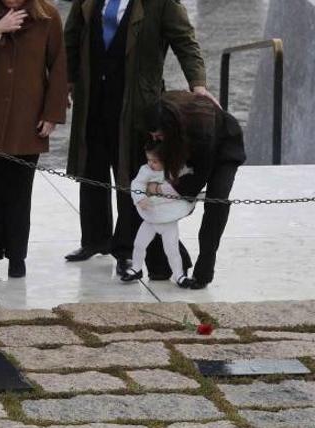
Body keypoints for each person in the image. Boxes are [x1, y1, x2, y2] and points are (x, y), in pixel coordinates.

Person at [63, 0, 217, 280]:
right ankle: (94, 239)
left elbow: (185, 41)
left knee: (129, 173)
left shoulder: (162, 3)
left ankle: (125, 249)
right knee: (92, 168)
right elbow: (72, 37)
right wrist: (68, 79)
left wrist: (198, 85)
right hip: (92, 97)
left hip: (135, 102)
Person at [0, 0, 66, 278]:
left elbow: (58, 66)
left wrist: (52, 113)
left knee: (20, 195)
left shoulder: (48, 16)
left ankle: (18, 257)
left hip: (26, 119)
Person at [144, 90, 246, 289]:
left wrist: (181, 194)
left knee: (217, 202)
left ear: (170, 128)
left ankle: (204, 271)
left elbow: (201, 173)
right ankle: (169, 263)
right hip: (189, 145)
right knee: (162, 202)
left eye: (158, 134)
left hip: (225, 146)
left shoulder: (201, 124)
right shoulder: (159, 114)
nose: (155, 137)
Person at [121, 139, 194, 287]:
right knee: (139, 244)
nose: (150, 163)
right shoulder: (146, 170)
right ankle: (136, 268)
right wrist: (140, 198)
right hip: (150, 217)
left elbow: (186, 179)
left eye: (155, 161)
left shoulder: (175, 170)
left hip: (168, 219)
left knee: (171, 249)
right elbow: (137, 184)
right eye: (148, 160)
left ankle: (179, 275)